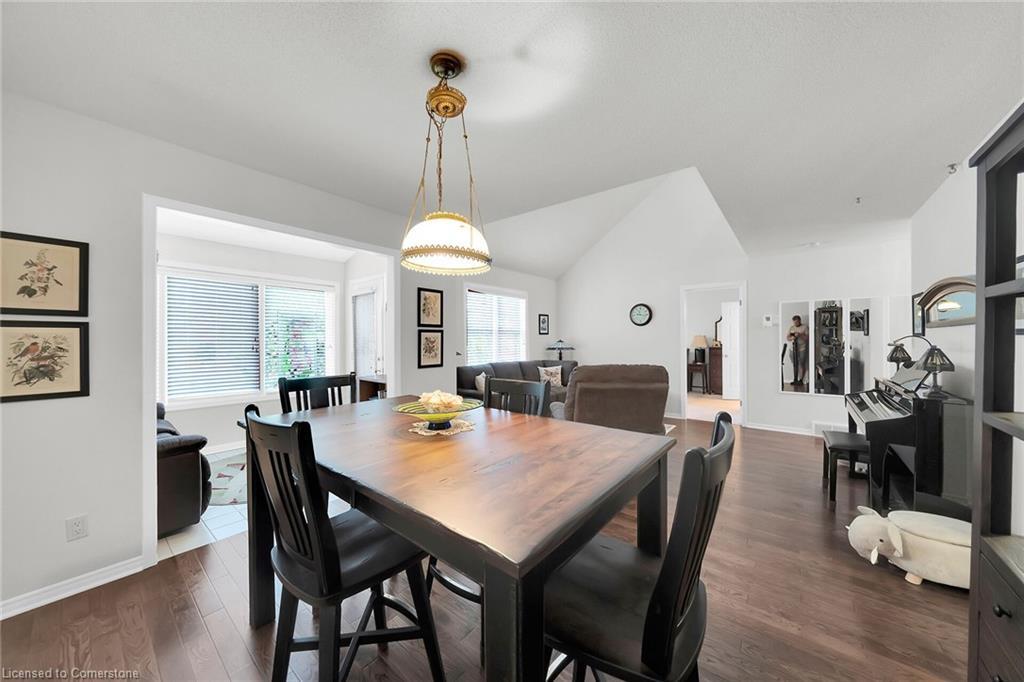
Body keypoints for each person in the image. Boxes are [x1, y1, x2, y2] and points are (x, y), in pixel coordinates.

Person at [787, 315, 809, 387]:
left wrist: (800, 335)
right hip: (792, 349)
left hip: (802, 349)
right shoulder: (792, 328)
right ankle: (795, 379)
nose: (795, 324)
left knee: (801, 364)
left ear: (800, 320)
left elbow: (807, 338)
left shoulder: (805, 327)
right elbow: (788, 338)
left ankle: (801, 380)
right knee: (795, 364)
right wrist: (792, 337)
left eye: (797, 322)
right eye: (794, 322)